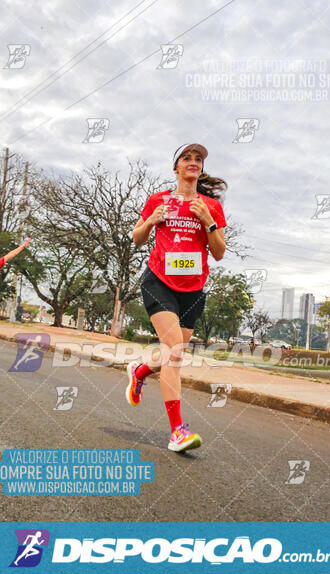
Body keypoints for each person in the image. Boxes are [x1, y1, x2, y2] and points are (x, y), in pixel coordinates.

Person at [127, 143, 227, 452]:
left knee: (174, 353)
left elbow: (219, 253)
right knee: (174, 354)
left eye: (198, 159)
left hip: (193, 290)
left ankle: (140, 370)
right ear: (177, 168)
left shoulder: (211, 206)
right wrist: (151, 220)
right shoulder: (158, 200)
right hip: (159, 281)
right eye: (187, 158)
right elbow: (137, 237)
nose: (193, 162)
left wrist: (207, 222)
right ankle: (177, 432)